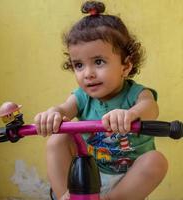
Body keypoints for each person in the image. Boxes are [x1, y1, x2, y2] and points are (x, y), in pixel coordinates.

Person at [34, 1, 168, 200]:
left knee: (157, 161)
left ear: (126, 66)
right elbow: (64, 109)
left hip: (128, 179)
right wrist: (53, 114)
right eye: (78, 65)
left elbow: (150, 108)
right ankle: (66, 196)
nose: (88, 74)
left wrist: (130, 114)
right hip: (87, 173)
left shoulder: (136, 94)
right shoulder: (81, 97)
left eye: (98, 62)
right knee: (57, 139)